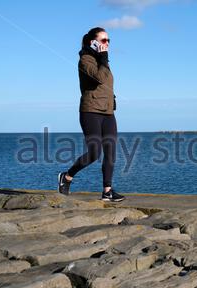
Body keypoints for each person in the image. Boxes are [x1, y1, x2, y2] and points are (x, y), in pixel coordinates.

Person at [57, 27, 125, 202]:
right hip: (90, 111)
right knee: (94, 153)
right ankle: (67, 176)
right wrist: (103, 58)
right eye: (103, 40)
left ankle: (107, 191)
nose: (107, 44)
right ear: (92, 42)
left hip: (108, 112)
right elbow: (99, 79)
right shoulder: (85, 60)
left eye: (109, 40)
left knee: (110, 151)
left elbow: (107, 85)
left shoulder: (103, 61)